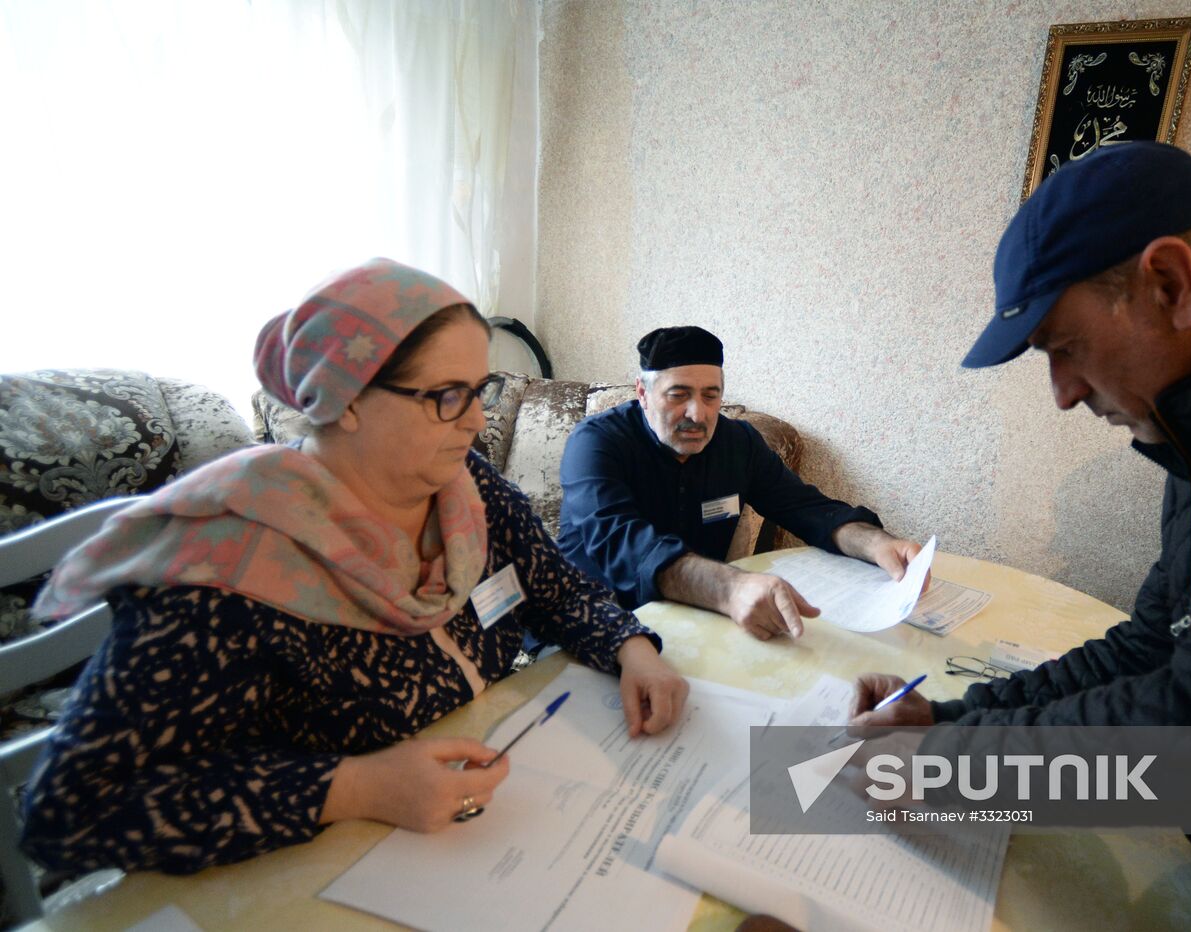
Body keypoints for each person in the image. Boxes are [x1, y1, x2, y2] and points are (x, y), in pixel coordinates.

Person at [851, 143, 1191, 925]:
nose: (1064, 395)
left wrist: (943, 771)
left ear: (1170, 283)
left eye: (1063, 349)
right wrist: (949, 719)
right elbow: (1154, 644)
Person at [20, 259, 689, 875]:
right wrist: (353, 787)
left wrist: (631, 648)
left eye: (479, 388)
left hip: (483, 826)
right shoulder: (228, 569)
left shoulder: (466, 490)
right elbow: (69, 813)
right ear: (346, 400)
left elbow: (556, 587)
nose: (478, 419)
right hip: (309, 870)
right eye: (447, 396)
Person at [557, 325, 924, 640]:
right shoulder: (594, 443)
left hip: (696, 616)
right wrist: (731, 587)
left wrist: (874, 543)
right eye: (678, 395)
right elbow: (620, 542)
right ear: (642, 393)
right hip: (592, 623)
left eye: (710, 396)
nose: (697, 414)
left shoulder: (739, 443)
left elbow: (805, 507)